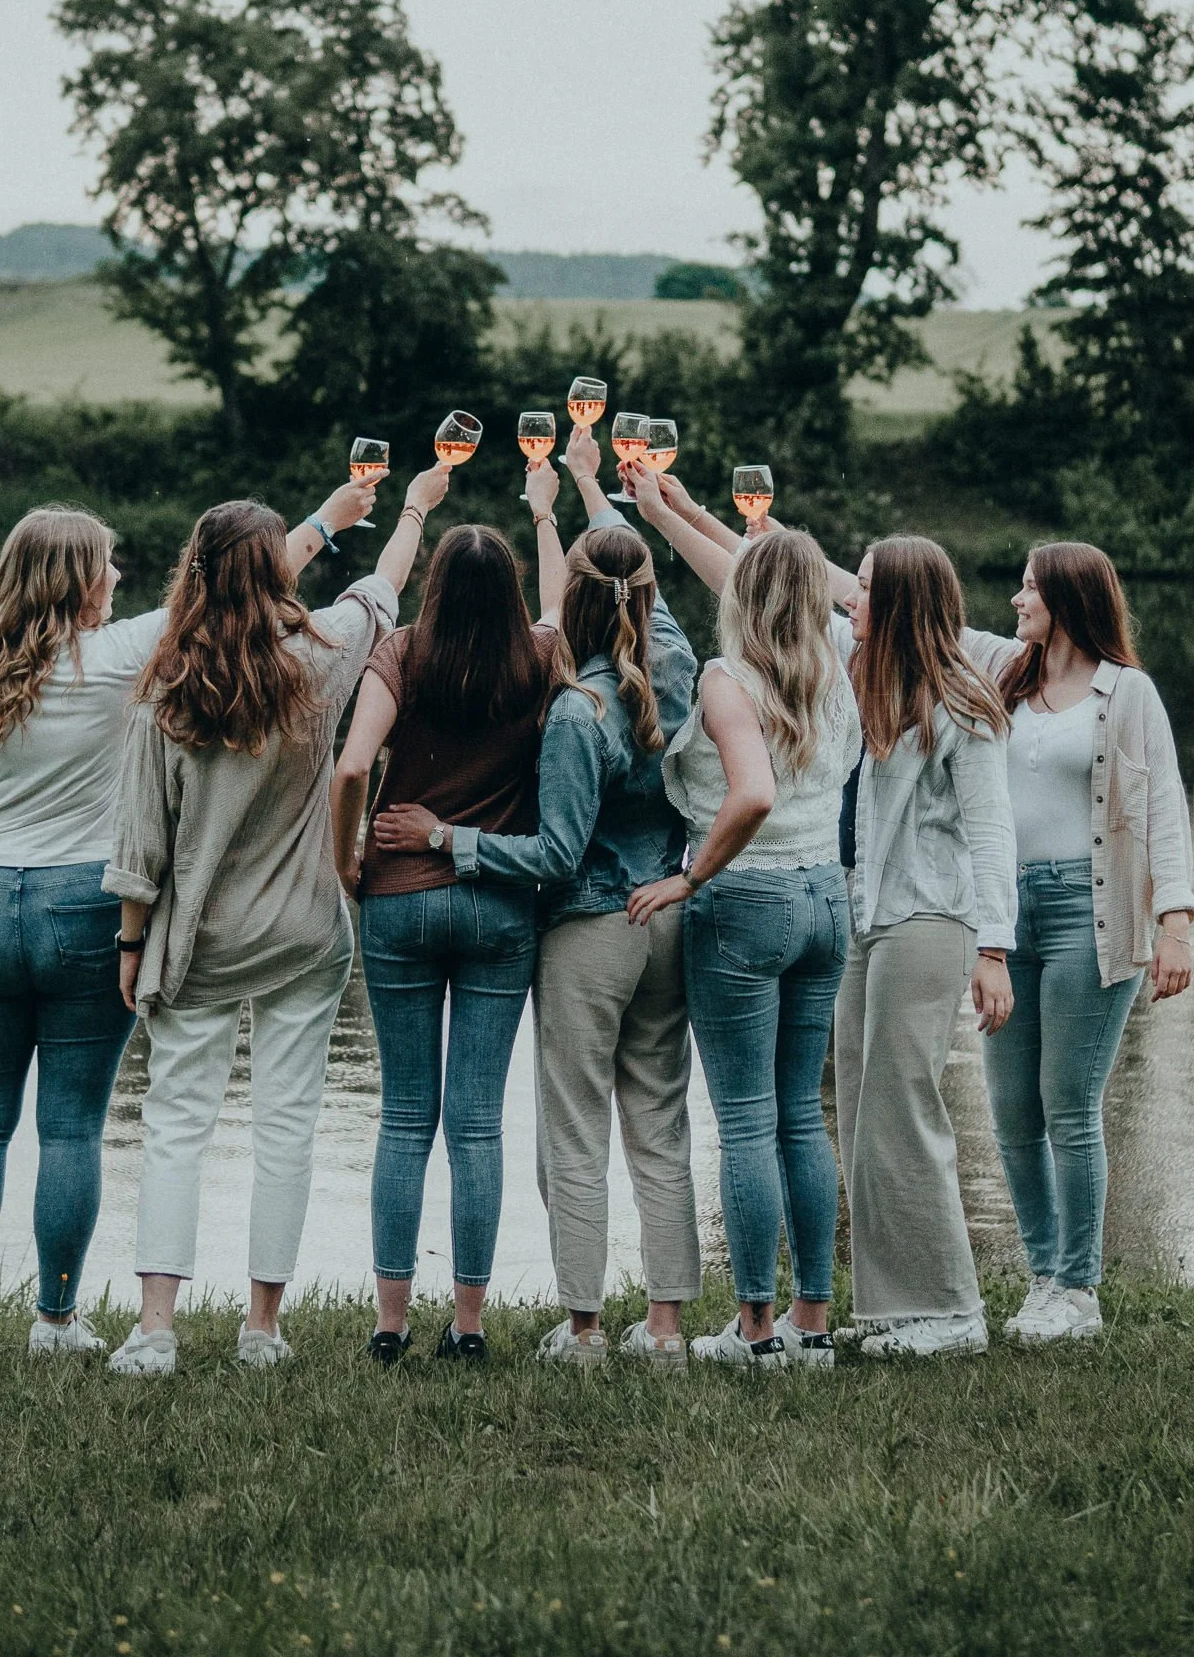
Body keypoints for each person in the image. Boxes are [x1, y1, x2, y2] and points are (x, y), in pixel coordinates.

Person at [0, 491, 365, 1362]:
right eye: (106, 565)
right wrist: (329, 521)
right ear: (77, 582)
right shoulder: (128, 654)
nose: (119, 575)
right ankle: (55, 1321)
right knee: (71, 1128)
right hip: (81, 904)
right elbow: (239, 586)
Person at [103, 467, 447, 1376]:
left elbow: (141, 844)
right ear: (277, 575)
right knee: (287, 1125)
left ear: (196, 572)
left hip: (203, 939)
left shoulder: (165, 688)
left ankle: (156, 1329)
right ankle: (262, 1328)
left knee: (176, 1124)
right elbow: (383, 588)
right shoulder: (322, 659)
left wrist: (133, 944)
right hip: (303, 932)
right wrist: (414, 510)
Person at [373, 426, 700, 1369]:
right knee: (661, 1126)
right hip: (668, 911)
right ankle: (666, 1328)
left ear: (576, 606)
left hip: (594, 925)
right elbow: (629, 579)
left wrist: (447, 838)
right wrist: (591, 496)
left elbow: (555, 855)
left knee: (574, 1130)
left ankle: (587, 1327)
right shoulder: (676, 658)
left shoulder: (574, 713)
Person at [625, 464, 860, 1372]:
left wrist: (691, 879)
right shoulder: (837, 659)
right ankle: (813, 1322)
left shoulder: (729, 679)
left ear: (744, 598)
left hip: (748, 903)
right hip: (826, 898)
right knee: (802, 1113)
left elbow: (751, 793)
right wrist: (676, 512)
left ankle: (755, 1330)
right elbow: (757, 578)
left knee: (749, 1119)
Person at [331, 464, 566, 1365]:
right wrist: (544, 516)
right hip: (499, 909)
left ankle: (390, 1324)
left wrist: (347, 859)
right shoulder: (539, 658)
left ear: (433, 588)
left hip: (399, 899)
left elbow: (353, 767)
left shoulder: (402, 652)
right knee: (476, 1125)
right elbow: (559, 606)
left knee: (403, 1119)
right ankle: (467, 1327)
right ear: (509, 595)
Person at [962, 544, 1194, 1344]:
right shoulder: (1006, 671)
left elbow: (1163, 808)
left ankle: (1079, 1289)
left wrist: (1175, 924)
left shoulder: (1126, 693)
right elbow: (901, 605)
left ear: (1068, 599)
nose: (1016, 599)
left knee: (1068, 1105)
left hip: (1088, 917)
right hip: (1005, 919)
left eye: (1030, 587)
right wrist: (756, 540)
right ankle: (1044, 1276)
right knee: (1010, 1113)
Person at [836, 536, 1017, 1358]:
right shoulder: (862, 675)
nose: (852, 600)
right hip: (863, 917)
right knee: (860, 1112)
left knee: (902, 1106)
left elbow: (992, 833)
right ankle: (892, 1308)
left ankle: (951, 1311)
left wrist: (994, 951)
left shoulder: (962, 704)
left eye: (865, 588)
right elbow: (760, 583)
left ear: (902, 603)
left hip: (931, 918)